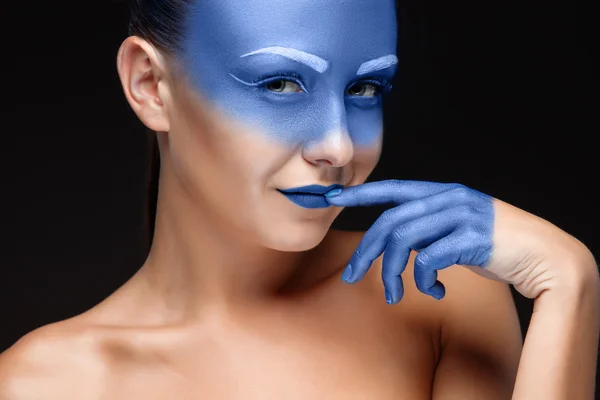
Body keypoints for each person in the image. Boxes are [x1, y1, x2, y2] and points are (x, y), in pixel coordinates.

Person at [0, 0, 598, 398]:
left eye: (365, 88)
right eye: (280, 85)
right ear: (151, 86)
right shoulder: (46, 383)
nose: (337, 145)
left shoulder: (440, 295)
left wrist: (570, 281)